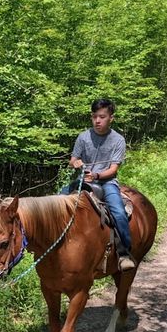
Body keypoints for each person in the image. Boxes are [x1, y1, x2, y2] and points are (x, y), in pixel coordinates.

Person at [62, 98, 136, 271]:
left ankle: (124, 252)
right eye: (94, 116)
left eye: (102, 117)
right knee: (57, 201)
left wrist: (96, 174)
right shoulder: (83, 137)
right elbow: (72, 159)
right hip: (82, 180)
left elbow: (113, 169)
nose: (97, 120)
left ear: (111, 118)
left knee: (118, 212)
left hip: (107, 182)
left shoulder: (118, 140)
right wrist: (76, 163)